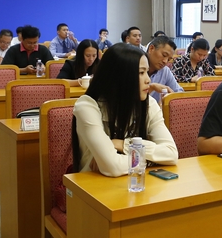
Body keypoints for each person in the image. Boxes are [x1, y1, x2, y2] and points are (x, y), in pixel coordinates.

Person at [72, 44, 178, 177]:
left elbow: (171, 154)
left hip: (136, 183)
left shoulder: (149, 104)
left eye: (147, 72)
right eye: (141, 73)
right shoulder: (87, 106)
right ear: (120, 76)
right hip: (94, 185)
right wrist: (152, 160)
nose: (148, 80)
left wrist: (124, 144)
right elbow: (113, 167)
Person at [146, 36, 184, 103]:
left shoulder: (165, 71)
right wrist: (152, 87)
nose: (165, 61)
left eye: (169, 59)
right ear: (151, 49)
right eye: (164, 55)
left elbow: (179, 92)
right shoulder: (134, 66)